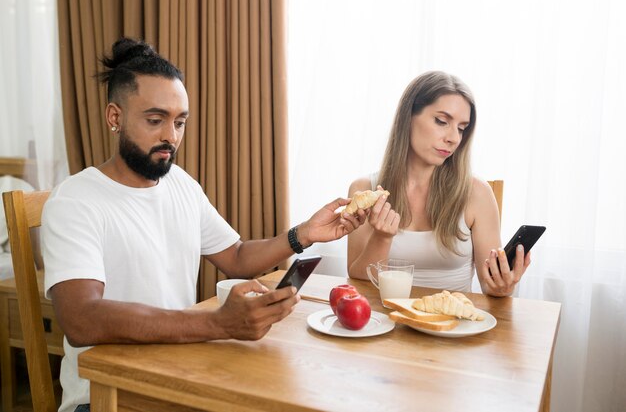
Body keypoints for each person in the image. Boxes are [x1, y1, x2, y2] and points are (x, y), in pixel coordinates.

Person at [41, 38, 365, 412]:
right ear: (115, 117)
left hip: (179, 373)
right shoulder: (76, 201)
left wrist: (303, 234)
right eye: (155, 120)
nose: (171, 136)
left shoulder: (180, 183)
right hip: (105, 396)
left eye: (179, 122)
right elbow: (82, 320)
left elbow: (238, 257)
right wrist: (219, 325)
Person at [346, 71, 530, 297]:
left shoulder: (477, 193)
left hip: (451, 326)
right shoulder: (365, 190)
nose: (453, 138)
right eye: (442, 122)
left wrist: (503, 287)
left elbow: (490, 287)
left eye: (461, 128)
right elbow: (358, 280)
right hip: (386, 322)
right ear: (409, 117)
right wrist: (382, 238)